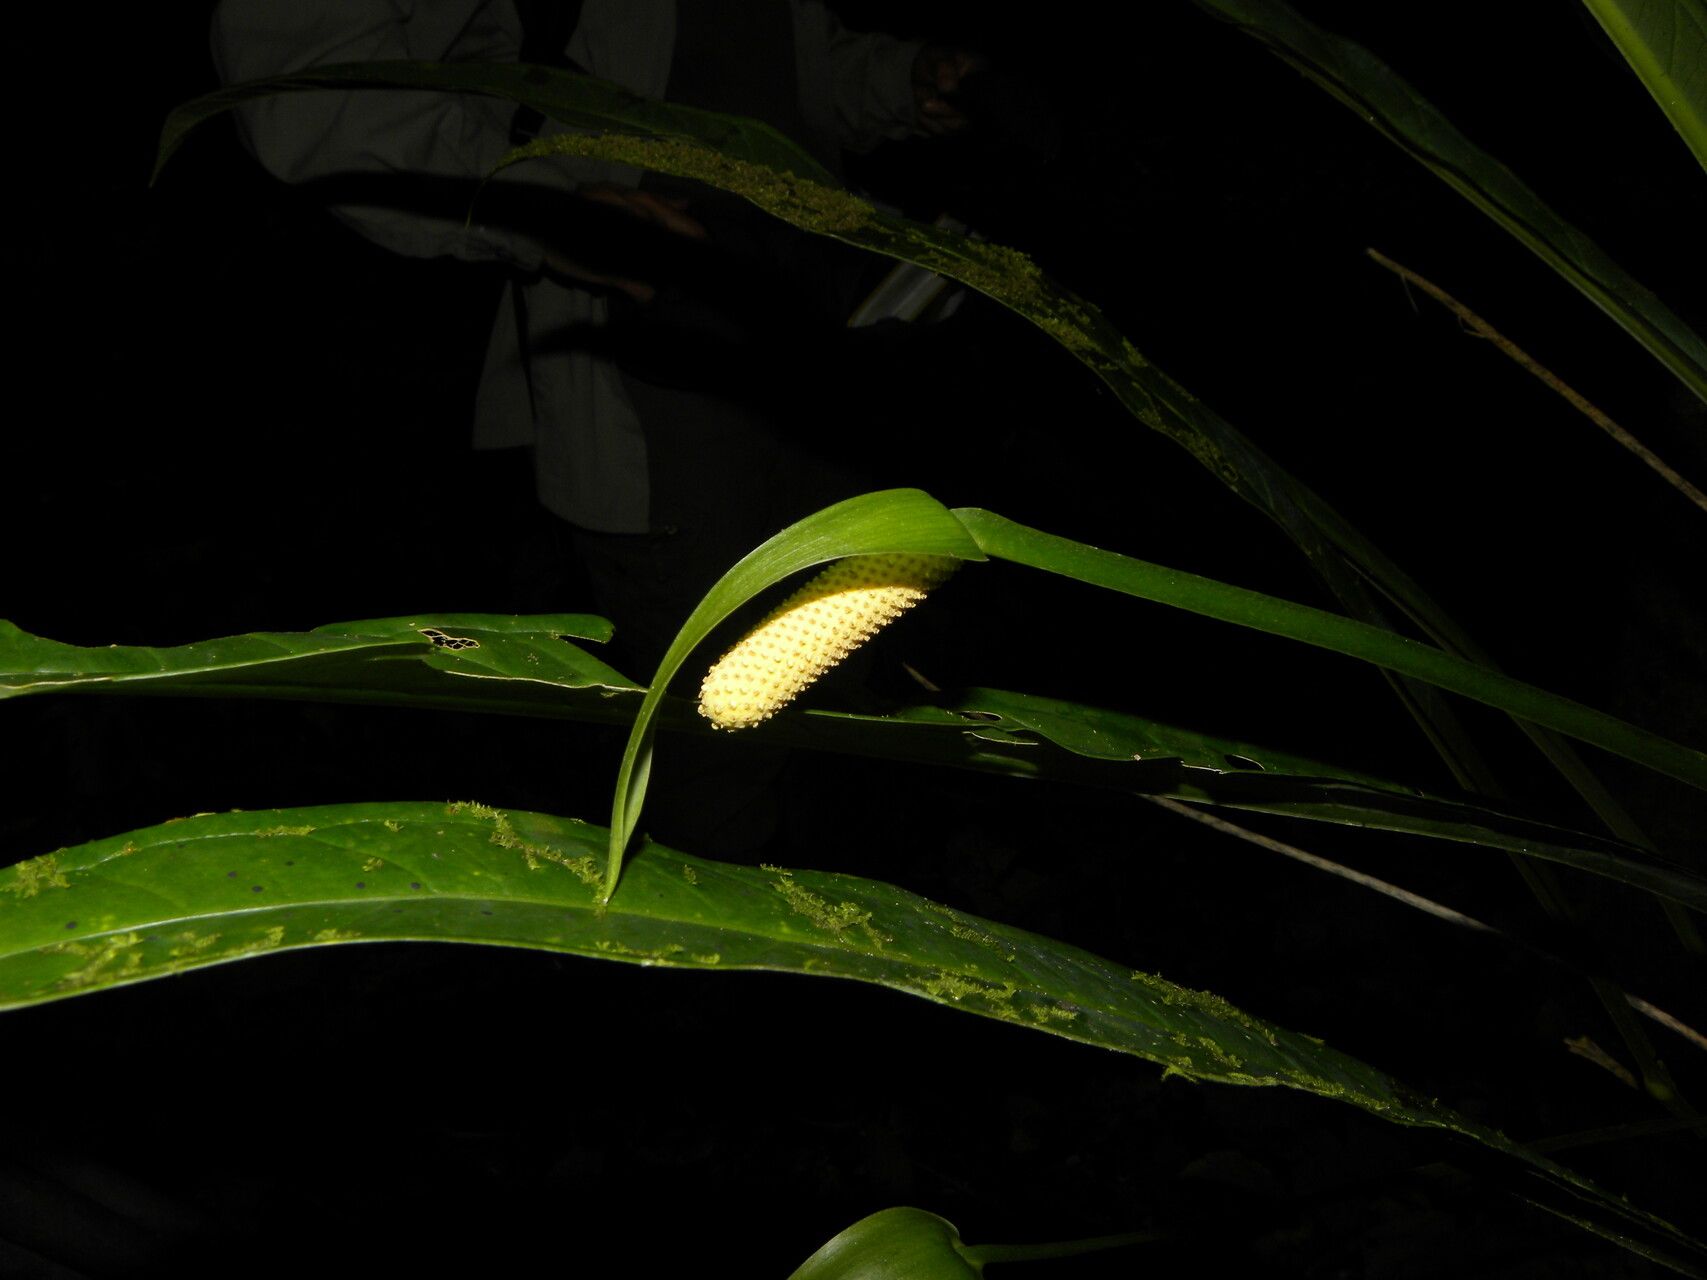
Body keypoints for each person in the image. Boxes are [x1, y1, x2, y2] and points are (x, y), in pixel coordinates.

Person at [212, 0, 978, 853]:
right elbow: (310, 81)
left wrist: (894, 81)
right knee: (714, 758)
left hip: (838, 357)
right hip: (657, 392)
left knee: (848, 717)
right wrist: (550, 206)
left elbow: (776, 66)